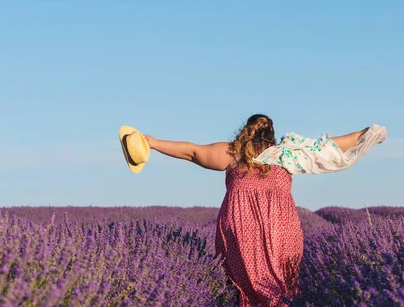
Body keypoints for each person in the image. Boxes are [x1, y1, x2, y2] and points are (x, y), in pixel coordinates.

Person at [143, 114, 386, 306]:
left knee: (246, 292)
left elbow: (192, 152)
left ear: (246, 130)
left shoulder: (232, 154)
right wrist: (368, 133)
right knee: (280, 291)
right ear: (272, 135)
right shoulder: (288, 154)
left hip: (240, 231)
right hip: (282, 231)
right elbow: (333, 145)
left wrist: (152, 143)